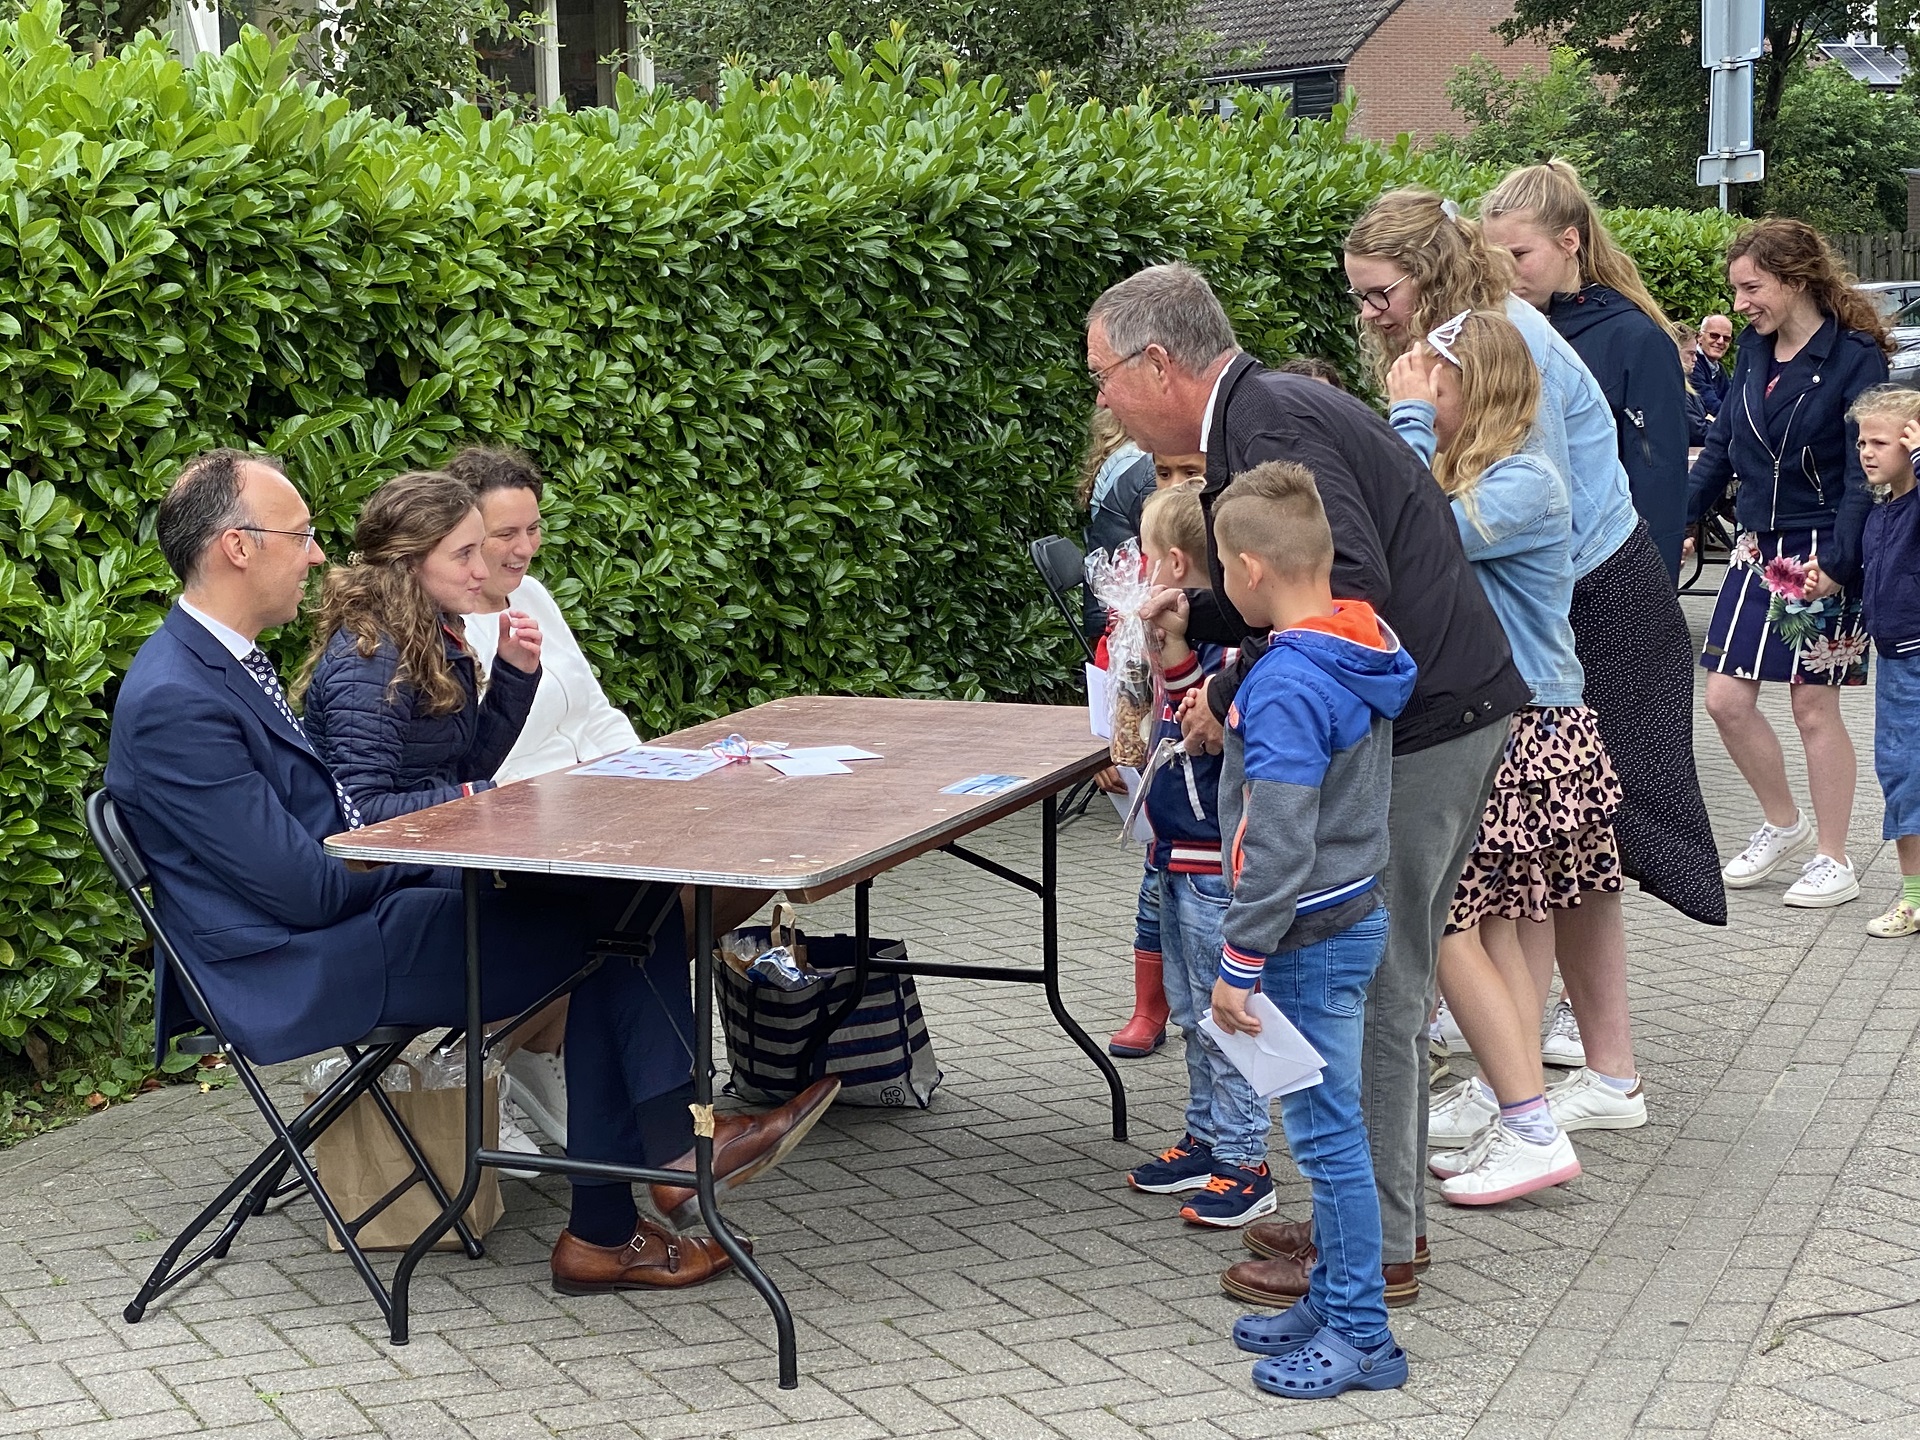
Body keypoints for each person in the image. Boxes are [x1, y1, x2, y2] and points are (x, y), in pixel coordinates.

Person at [104, 450, 838, 1294]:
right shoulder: (177, 699)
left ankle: (640, 1193)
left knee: (624, 899)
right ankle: (646, 1184)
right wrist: (437, 844)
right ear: (238, 547)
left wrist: (441, 843)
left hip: (353, 914)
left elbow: (335, 832)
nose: (318, 554)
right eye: (300, 536)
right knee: (617, 927)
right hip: (292, 963)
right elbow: (308, 884)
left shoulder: (224, 662)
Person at [1089, 261, 1530, 1311]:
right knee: (1386, 986)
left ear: (1159, 362)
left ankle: (1372, 1253)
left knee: (1379, 991)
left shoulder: (1272, 420)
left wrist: (1231, 685)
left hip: (1428, 726)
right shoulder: (1257, 415)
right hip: (1436, 710)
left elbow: (1348, 587)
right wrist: (1206, 623)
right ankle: (1368, 1224)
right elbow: (1300, 591)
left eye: (1104, 374)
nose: (1102, 397)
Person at [1345, 190, 1725, 1168]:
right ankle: (1523, 1069)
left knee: (1577, 856)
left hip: (1595, 602)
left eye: (1381, 294)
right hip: (1558, 612)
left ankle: (1596, 1077)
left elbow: (1500, 520)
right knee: (1547, 867)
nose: (1370, 314)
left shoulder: (1496, 346)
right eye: (1359, 296)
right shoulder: (1467, 336)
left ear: (1428, 276)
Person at [445, 446, 771, 1149]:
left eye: (534, 528)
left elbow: (594, 712)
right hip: (523, 828)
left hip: (599, 804)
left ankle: (555, 1056)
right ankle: (494, 1066)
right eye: (506, 535)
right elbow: (473, 761)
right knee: (641, 911)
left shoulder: (533, 596)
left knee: (741, 874)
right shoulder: (447, 627)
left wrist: (657, 779)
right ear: (461, 536)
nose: (525, 548)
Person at [1386, 310, 1623, 1204]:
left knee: (1450, 923)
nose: (1420, 393)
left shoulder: (1525, 483)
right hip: (1507, 723)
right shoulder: (1491, 477)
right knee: (1501, 931)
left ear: (1474, 387)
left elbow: (1412, 543)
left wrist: (1407, 423)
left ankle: (1529, 1127)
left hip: (1524, 730)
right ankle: (1514, 1112)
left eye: (1434, 382)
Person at [1205, 461, 1415, 1399]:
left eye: (1222, 569)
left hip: (1301, 935)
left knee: (1328, 1143)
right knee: (1329, 1133)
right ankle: (1332, 1301)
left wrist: (1239, 960)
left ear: (1250, 570)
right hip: (1347, 913)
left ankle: (1364, 1335)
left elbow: (1280, 838)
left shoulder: (1289, 682)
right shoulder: (1355, 637)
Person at [1687, 220, 1891, 908]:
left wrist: (1839, 559)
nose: (1740, 304)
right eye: (1736, 290)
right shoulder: (1753, 348)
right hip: (1756, 546)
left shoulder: (1855, 357)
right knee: (1723, 699)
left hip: (1823, 542)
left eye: (1751, 288)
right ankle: (1783, 823)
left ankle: (1835, 858)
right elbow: (1722, 444)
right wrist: (1681, 519)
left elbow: (1865, 471)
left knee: (1812, 705)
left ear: (1795, 280)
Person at [1120, 483, 1273, 1228]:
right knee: (1189, 1012)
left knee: (1226, 1015)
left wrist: (1175, 651)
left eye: (1147, 560)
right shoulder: (1196, 639)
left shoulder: (1234, 648)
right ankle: (1207, 1136)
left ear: (1176, 564)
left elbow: (1198, 724)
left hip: (1213, 860)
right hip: (1174, 855)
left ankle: (1246, 1158)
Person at [1481, 160, 1692, 580]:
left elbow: (1659, 482)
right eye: (1494, 257)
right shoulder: (1496, 333)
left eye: (1519, 254)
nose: (1505, 270)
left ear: (1569, 242)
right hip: (1521, 577)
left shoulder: (1636, 339)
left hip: (1605, 575)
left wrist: (1652, 589)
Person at [296, 472, 543, 823]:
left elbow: (460, 771)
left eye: (479, 549)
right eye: (464, 554)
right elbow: (360, 810)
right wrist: (483, 798)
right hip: (388, 858)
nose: (482, 571)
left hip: (429, 845)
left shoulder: (430, 628)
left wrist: (514, 676)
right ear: (410, 562)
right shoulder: (370, 658)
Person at [1848, 388, 1920, 936]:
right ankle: (1914, 897)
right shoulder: (1882, 510)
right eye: (1861, 442)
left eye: (1879, 442)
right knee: (1901, 776)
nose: (1866, 452)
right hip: (1895, 663)